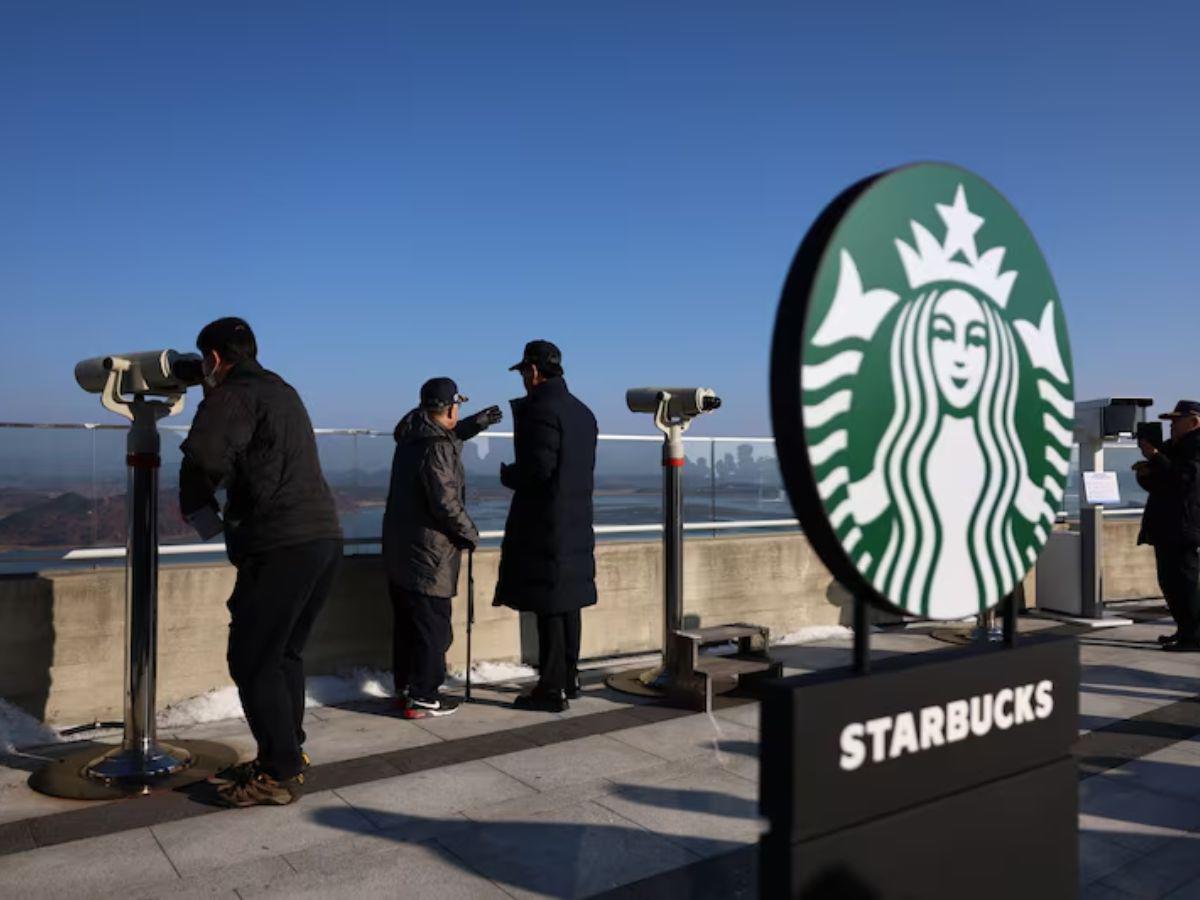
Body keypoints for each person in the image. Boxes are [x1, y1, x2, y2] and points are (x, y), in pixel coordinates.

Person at [179, 317, 343, 807]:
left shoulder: (233, 395)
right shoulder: (282, 390)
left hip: (279, 542)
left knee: (252, 659)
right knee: (284, 653)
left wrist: (199, 508)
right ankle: (288, 753)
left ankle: (278, 770)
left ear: (212, 359)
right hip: (322, 537)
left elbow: (205, 457)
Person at [382, 378, 502, 717]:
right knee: (433, 627)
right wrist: (470, 533)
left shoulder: (412, 436)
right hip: (429, 554)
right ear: (450, 407)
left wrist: (472, 426)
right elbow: (446, 502)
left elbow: (442, 437)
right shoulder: (436, 447)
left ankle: (407, 687)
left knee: (410, 623)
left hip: (402, 549)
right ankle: (423, 695)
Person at [494, 340, 598, 712]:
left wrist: (509, 475)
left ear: (534, 371)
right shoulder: (583, 413)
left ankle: (551, 690)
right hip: (576, 519)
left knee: (549, 604)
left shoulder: (542, 409)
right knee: (569, 603)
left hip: (547, 524)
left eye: (523, 372)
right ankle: (569, 679)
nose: (523, 379)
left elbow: (538, 470)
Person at [1135, 400, 1200, 652]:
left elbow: (1185, 481)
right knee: (1170, 582)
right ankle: (1184, 631)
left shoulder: (1195, 447)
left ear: (1193, 422)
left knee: (1185, 583)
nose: (1171, 426)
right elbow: (1163, 484)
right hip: (1166, 525)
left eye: (1176, 420)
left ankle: (1193, 637)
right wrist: (1146, 473)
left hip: (1183, 527)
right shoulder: (1173, 447)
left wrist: (1155, 457)